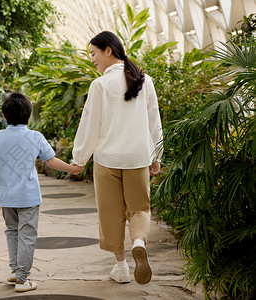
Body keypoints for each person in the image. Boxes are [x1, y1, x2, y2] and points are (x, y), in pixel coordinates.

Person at [0, 92, 83, 292]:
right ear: (28, 114)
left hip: (6, 195)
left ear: (5, 116)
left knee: (11, 231)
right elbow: (51, 161)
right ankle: (23, 279)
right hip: (28, 195)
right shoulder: (36, 137)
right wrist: (72, 168)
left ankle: (15, 270)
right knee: (27, 234)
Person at [71, 31, 163, 285]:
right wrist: (156, 154)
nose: (92, 60)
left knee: (110, 214)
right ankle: (138, 242)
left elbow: (90, 124)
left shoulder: (100, 85)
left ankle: (121, 267)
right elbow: (154, 121)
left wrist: (79, 158)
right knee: (139, 209)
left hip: (107, 159)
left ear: (108, 50)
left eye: (93, 54)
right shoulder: (146, 81)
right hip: (137, 158)